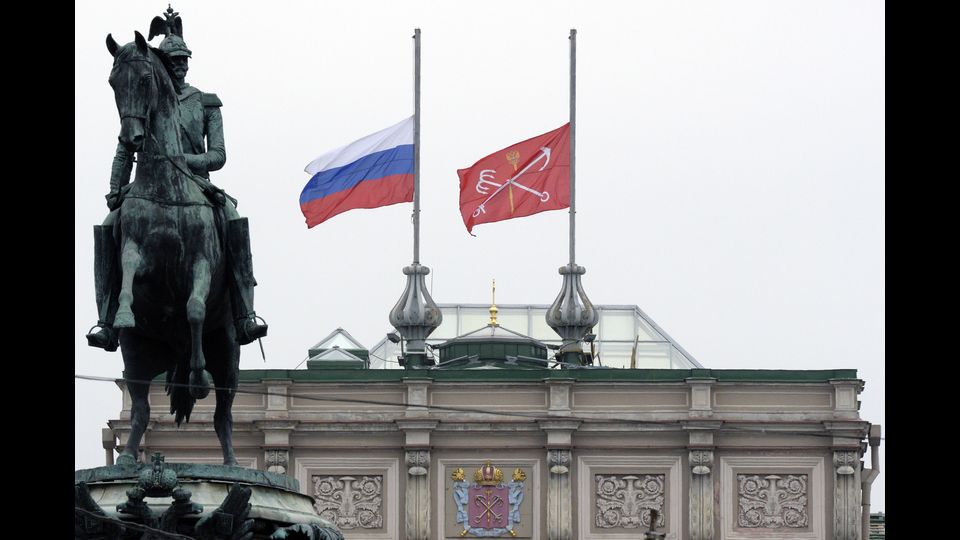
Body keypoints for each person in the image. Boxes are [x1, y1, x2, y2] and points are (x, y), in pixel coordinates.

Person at [87, 12, 267, 351]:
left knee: (233, 220)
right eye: (174, 60)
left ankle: (245, 313)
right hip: (147, 186)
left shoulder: (205, 102)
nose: (180, 65)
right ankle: (107, 319)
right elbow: (125, 146)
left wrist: (182, 161)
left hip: (197, 184)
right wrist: (115, 189)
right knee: (108, 226)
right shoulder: (147, 98)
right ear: (162, 64)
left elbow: (218, 155)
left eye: (184, 59)